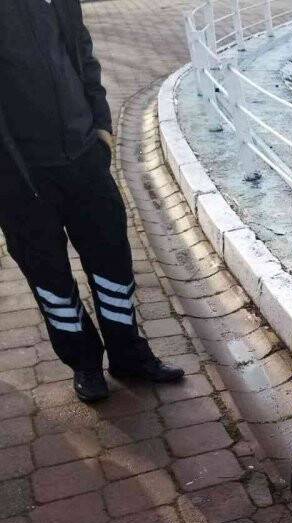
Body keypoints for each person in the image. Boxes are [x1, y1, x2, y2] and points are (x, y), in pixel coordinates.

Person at [0, 0, 184, 403]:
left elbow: (83, 55)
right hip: (21, 178)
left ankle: (129, 355)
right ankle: (83, 362)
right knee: (49, 276)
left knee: (112, 260)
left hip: (85, 157)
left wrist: (101, 127)